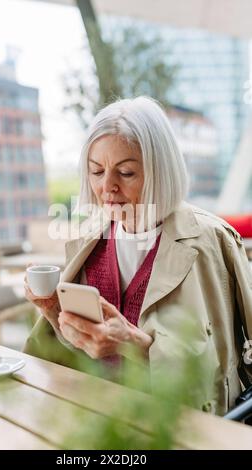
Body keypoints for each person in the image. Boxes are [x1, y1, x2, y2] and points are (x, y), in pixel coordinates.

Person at [24, 96, 252, 414]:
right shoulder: (88, 240)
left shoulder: (212, 241)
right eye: (96, 171)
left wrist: (136, 346)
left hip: (177, 426)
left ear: (161, 171)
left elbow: (209, 369)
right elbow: (75, 354)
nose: (107, 187)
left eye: (126, 173)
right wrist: (53, 312)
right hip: (100, 422)